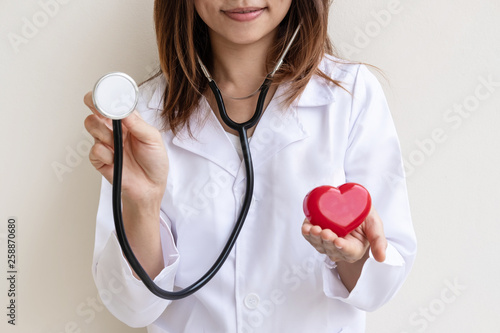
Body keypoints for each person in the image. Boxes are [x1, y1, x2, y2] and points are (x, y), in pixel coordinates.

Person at [84, 0, 417, 332]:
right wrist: (142, 204)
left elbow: (381, 285)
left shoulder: (350, 95)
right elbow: (132, 307)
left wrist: (353, 257)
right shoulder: (141, 118)